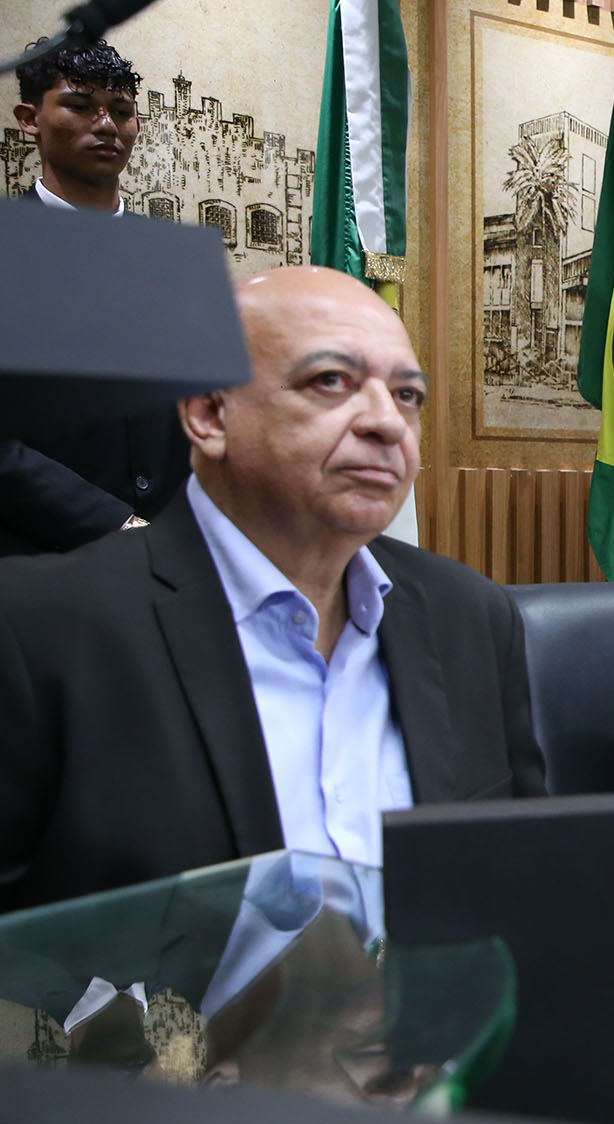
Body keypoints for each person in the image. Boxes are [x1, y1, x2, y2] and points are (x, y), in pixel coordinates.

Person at [0, 266, 546, 912]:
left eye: (407, 395)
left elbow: (526, 886)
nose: (387, 423)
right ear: (209, 414)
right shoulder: (38, 630)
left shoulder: (472, 617)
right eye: (331, 381)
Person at [3, 36, 191, 555]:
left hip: (174, 559)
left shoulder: (175, 261)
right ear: (30, 118)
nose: (106, 124)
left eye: (121, 111)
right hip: (35, 562)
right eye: (81, 106)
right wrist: (118, 526)